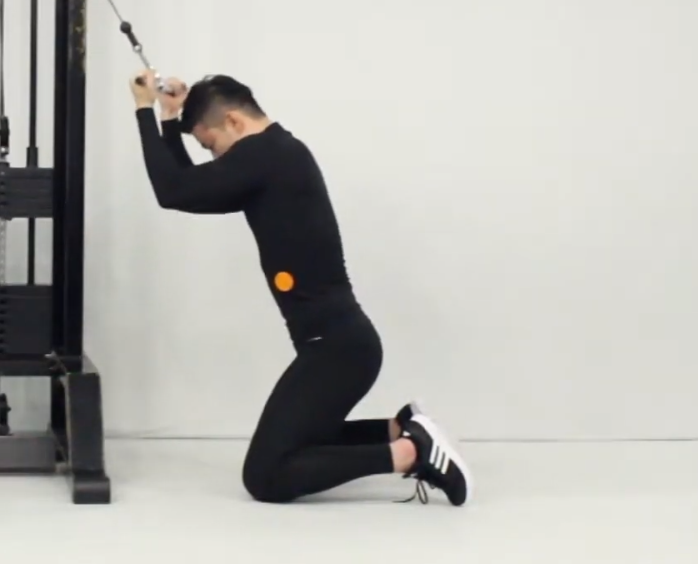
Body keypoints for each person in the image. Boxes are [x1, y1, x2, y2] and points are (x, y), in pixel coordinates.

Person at [130, 70, 471, 506]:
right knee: (298, 442)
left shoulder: (264, 156)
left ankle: (411, 453)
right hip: (341, 344)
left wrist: (144, 108)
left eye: (211, 145)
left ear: (233, 121)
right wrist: (168, 117)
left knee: (266, 476)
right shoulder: (276, 157)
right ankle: (399, 429)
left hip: (336, 349)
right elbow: (186, 192)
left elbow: (172, 190)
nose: (214, 158)